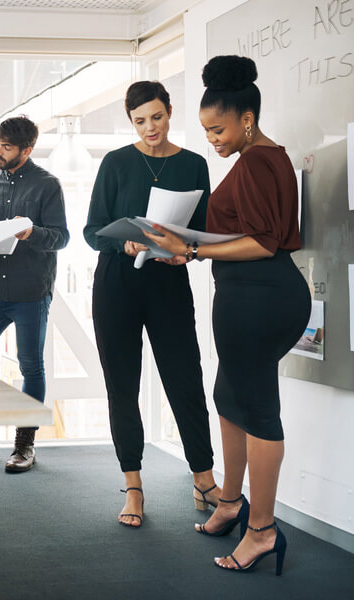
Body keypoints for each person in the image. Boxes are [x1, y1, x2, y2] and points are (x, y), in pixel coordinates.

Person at [143, 56, 311, 574]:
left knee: (257, 407)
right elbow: (245, 235)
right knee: (229, 398)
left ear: (246, 119)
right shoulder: (255, 160)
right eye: (206, 130)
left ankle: (261, 530)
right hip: (245, 296)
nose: (212, 139)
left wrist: (193, 251)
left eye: (218, 129)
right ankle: (232, 504)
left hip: (263, 296)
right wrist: (187, 245)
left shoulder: (261, 161)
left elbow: (263, 242)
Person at [83, 81, 221, 528]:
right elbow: (91, 231)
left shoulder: (194, 164)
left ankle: (203, 476)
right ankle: (134, 485)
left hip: (168, 283)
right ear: (130, 121)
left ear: (170, 111)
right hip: (117, 285)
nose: (150, 128)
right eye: (140, 121)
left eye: (157, 117)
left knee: (185, 379)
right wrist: (121, 242)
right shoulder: (116, 162)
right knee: (122, 385)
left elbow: (199, 228)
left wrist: (185, 249)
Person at [0, 116, 69, 473]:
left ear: (27, 149)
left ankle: (25, 446)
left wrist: (30, 232)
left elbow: (61, 237)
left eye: (6, 147)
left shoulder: (47, 185)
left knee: (31, 366)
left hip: (31, 293)